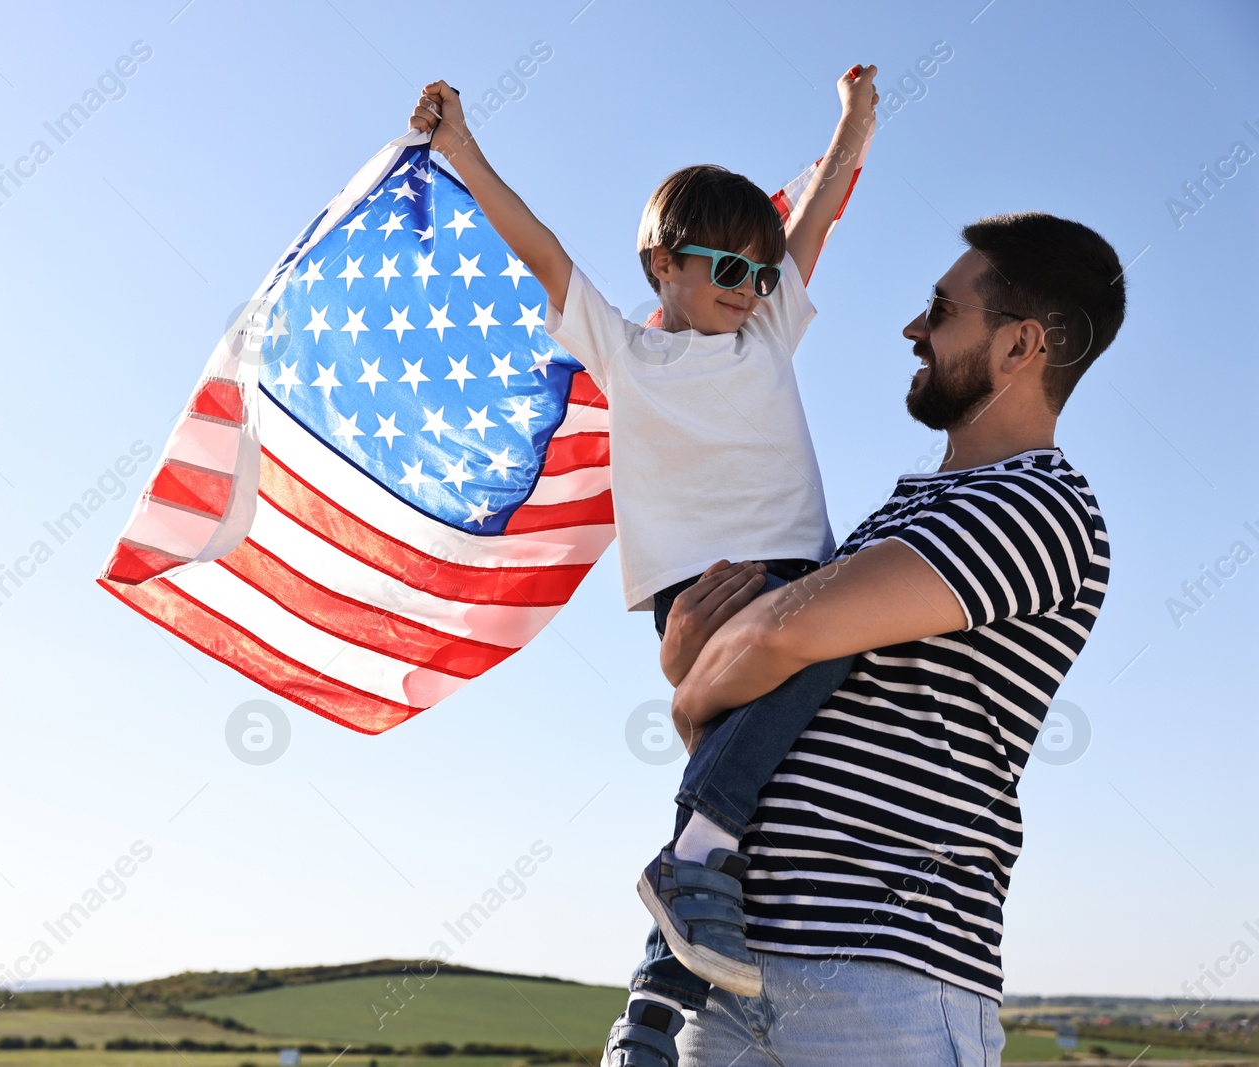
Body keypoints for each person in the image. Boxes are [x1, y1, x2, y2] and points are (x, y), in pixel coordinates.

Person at [408, 63, 880, 1019]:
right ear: (663, 263)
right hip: (703, 587)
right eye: (729, 270)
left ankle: (659, 995)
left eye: (761, 272)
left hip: (795, 566)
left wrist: (853, 123)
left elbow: (819, 215)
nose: (752, 290)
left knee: (778, 778)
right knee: (833, 649)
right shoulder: (629, 351)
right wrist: (462, 147)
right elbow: (542, 252)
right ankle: (698, 848)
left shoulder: (766, 333)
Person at [612, 213, 1126, 1065]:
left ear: (1021, 345)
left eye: (941, 309)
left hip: (884, 990)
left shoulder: (1041, 505)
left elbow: (785, 631)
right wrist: (708, 683)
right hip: (727, 969)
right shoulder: (893, 519)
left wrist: (690, 682)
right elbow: (740, 733)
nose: (913, 329)